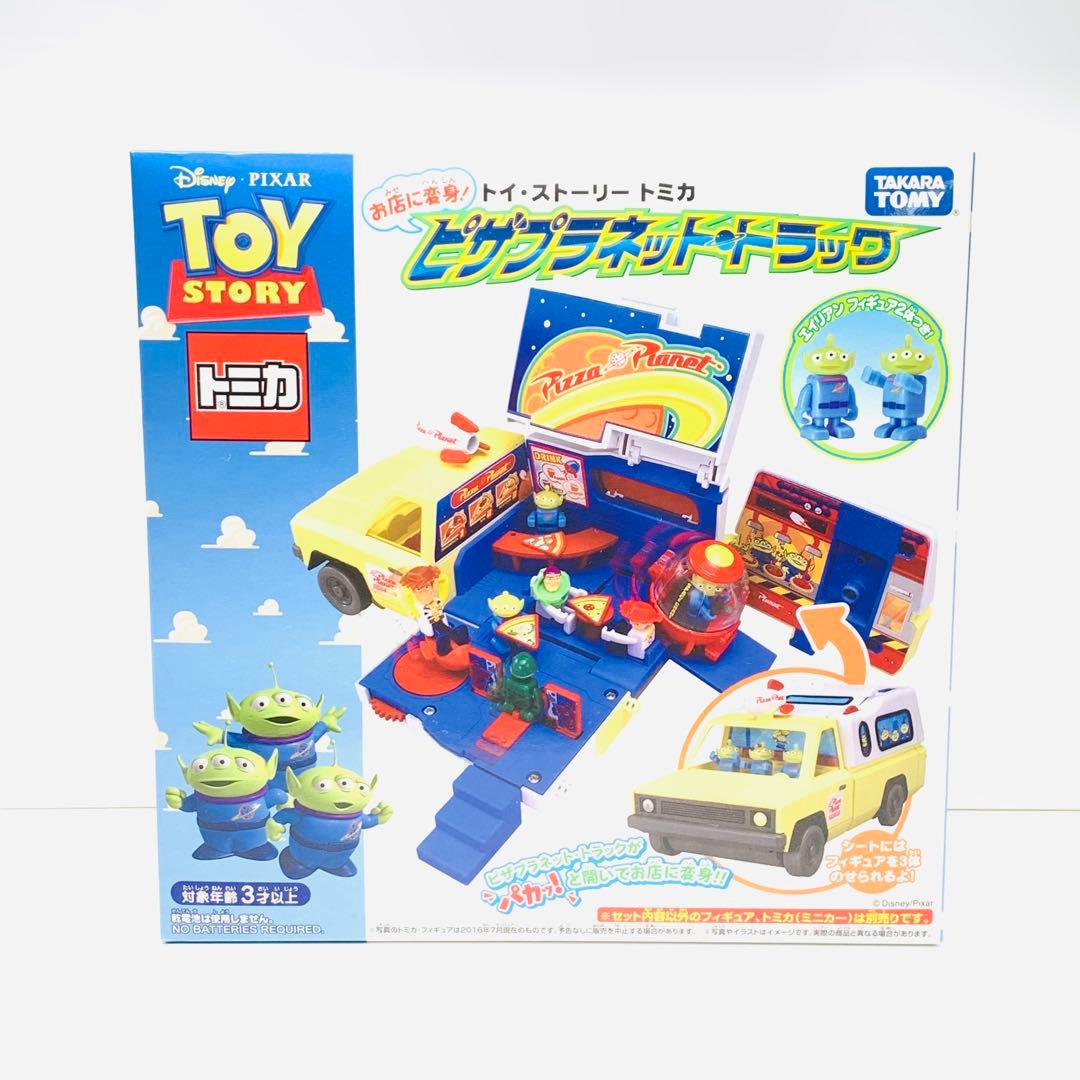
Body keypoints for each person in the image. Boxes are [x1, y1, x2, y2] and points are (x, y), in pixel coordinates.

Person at [400, 564, 469, 655]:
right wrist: (413, 610)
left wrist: (435, 576)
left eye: (427, 586)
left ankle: (457, 636)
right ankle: (444, 645)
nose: (425, 592)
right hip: (430, 630)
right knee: (438, 634)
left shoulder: (437, 600)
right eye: (419, 589)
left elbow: (444, 580)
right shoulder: (417, 608)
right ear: (412, 592)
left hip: (441, 624)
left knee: (447, 630)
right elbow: (404, 597)